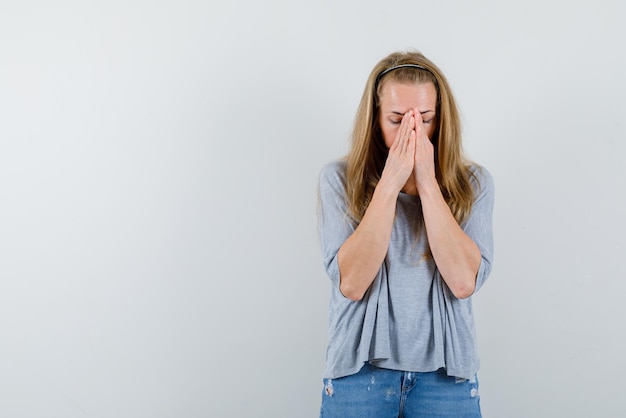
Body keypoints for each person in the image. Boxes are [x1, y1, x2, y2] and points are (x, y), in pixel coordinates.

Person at [317, 50, 494, 417]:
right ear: (375, 121)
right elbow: (351, 282)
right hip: (358, 375)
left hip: (447, 380)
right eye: (397, 120)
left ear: (441, 121)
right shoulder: (338, 180)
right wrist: (390, 184)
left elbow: (463, 282)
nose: (413, 132)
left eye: (425, 119)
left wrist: (428, 183)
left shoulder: (474, 184)